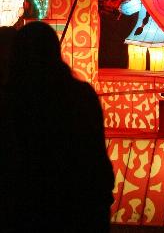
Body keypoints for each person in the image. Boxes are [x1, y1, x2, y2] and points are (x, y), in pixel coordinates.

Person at [0, 21, 115, 233]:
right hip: (79, 205)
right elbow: (94, 154)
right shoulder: (80, 95)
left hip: (29, 208)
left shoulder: (12, 101)